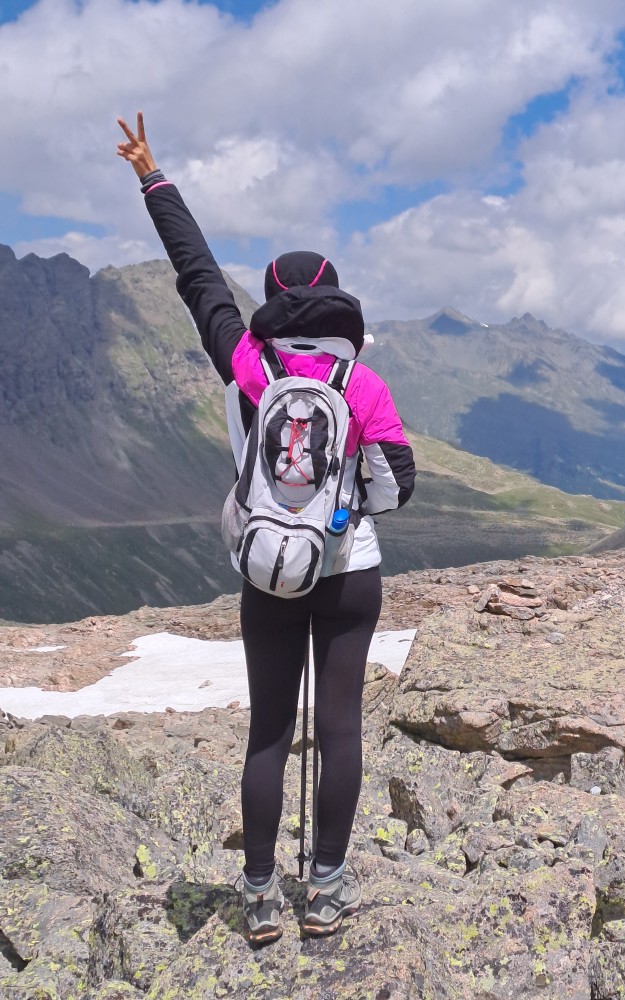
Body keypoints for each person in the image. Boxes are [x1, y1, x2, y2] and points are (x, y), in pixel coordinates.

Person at [116, 113, 416, 942]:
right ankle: (323, 892)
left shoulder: (247, 362)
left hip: (266, 571)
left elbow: (198, 277)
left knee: (270, 731)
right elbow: (396, 490)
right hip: (348, 570)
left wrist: (154, 177)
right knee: (343, 727)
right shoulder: (366, 385)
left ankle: (256, 898)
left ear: (275, 301)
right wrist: (344, 505)